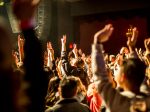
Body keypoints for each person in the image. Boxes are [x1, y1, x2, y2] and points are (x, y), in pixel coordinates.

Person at [91, 24, 150, 112]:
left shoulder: (119, 101)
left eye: (119, 69)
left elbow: (100, 77)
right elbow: (138, 72)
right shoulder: (146, 97)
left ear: (123, 77)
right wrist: (132, 48)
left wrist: (97, 41)